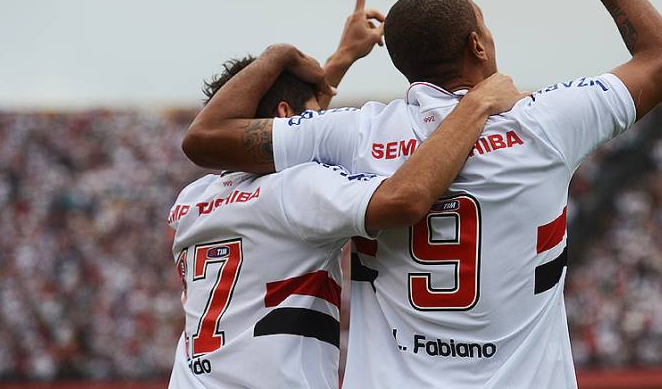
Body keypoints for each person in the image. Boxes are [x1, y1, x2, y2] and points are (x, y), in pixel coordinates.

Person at [180, 0, 662, 388]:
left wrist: (305, 57)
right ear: (476, 45)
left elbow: (208, 139)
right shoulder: (547, 121)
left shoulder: (354, 135)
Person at [168, 29, 528, 387]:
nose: (320, 120)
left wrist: (340, 61)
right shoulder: (299, 188)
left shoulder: (192, 201)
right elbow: (405, 198)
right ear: (285, 115)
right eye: (312, 114)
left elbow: (287, 148)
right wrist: (475, 105)